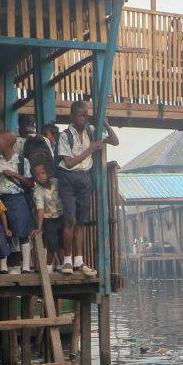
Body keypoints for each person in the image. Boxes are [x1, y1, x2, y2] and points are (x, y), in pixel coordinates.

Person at [57, 100, 118, 275]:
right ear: (72, 116)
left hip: (84, 177)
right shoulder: (65, 135)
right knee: (70, 219)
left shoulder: (92, 131)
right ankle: (67, 261)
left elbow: (115, 141)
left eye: (86, 115)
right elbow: (68, 163)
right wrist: (90, 149)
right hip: (68, 177)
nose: (84, 118)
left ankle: (79, 261)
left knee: (81, 222)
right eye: (80, 115)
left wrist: (105, 123)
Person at [0, 131, 35, 274]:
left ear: (8, 143)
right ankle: (4, 266)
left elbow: (30, 182)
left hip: (16, 199)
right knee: (2, 232)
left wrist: (14, 174)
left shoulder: (22, 161)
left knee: (22, 233)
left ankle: (25, 266)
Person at [31, 162, 66, 275]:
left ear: (48, 173)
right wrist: (39, 227)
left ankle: (63, 265)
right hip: (49, 220)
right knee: (52, 244)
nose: (41, 175)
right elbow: (40, 210)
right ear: (35, 178)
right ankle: (48, 267)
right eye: (37, 174)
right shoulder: (37, 191)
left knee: (61, 243)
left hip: (61, 217)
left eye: (43, 172)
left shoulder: (56, 182)